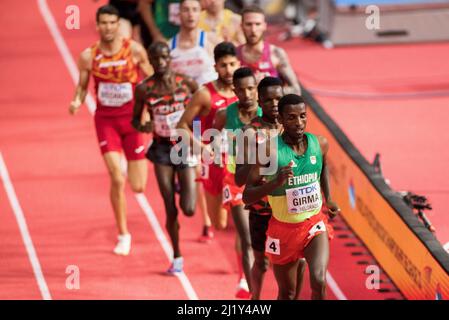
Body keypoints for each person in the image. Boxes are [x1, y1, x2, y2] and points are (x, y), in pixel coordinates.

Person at [69, 5, 153, 256]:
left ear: (118, 24)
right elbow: (82, 87)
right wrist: (76, 100)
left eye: (112, 22)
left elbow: (151, 79)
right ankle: (123, 234)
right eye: (103, 23)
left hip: (133, 121)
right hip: (106, 122)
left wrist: (149, 108)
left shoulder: (135, 50)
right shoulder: (89, 56)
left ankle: (129, 159)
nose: (107, 27)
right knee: (117, 178)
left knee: (137, 187)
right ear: (97, 25)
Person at [243, 94, 340, 300]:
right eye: (291, 117)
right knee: (287, 293)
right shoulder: (269, 150)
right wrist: (276, 182)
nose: (298, 123)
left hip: (314, 223)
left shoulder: (320, 143)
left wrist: (328, 197)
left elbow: (323, 168)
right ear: (282, 119)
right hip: (282, 229)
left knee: (318, 279)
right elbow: (247, 195)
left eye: (303, 116)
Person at [234, 77, 306, 300]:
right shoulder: (250, 131)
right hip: (263, 209)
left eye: (278, 98)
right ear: (260, 101)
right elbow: (239, 178)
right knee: (263, 262)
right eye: (268, 100)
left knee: (300, 261)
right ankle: (255, 299)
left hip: (291, 207)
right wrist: (261, 159)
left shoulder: (295, 127)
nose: (274, 104)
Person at [132, 41, 198, 274]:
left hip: (184, 147)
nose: (160, 63)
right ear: (149, 62)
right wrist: (145, 125)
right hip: (161, 150)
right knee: (170, 207)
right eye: (155, 59)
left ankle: (184, 182)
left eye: (164, 58)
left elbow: (200, 112)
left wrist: (196, 141)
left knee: (189, 209)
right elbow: (135, 121)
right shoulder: (144, 89)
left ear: (170, 58)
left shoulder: (186, 83)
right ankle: (177, 256)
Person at [176, 42, 240, 242]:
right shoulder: (205, 94)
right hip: (213, 162)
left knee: (244, 223)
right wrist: (200, 147)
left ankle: (244, 272)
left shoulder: (246, 91)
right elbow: (181, 126)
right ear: (215, 67)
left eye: (232, 64)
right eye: (223, 65)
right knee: (219, 224)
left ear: (238, 64)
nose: (228, 70)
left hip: (240, 161)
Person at [213, 67, 262, 299]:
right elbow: (204, 131)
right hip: (235, 181)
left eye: (251, 88)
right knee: (246, 237)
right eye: (241, 90)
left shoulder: (268, 113)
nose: (247, 94)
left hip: (265, 181)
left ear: (257, 89)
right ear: (235, 91)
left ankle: (255, 274)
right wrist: (205, 151)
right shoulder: (225, 114)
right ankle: (247, 285)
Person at [237, 5, 301, 94]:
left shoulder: (275, 53)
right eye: (249, 24)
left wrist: (267, 89)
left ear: (264, 26)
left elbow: (296, 90)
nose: (253, 29)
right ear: (241, 26)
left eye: (257, 24)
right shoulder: (235, 56)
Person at [169, 0, 218, 86]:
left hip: (208, 96)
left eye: (195, 10)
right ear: (179, 13)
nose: (190, 14)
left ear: (200, 13)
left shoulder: (212, 40)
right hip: (182, 97)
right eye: (185, 10)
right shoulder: (168, 46)